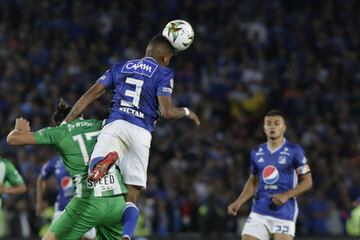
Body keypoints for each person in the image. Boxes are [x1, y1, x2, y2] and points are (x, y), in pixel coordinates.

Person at [63, 33, 200, 239]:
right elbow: (167, 112)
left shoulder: (120, 66)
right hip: (141, 132)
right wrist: (187, 112)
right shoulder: (164, 72)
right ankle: (126, 235)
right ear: (164, 58)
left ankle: (103, 163)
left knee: (94, 174)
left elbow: (93, 93)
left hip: (116, 123)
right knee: (132, 196)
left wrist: (68, 120)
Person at [7, 99, 127, 240]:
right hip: (117, 200)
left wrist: (18, 130)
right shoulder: (99, 125)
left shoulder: (60, 131)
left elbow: (12, 139)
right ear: (81, 115)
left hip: (88, 202)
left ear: (59, 123)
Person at [227, 109, 313, 240]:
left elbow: (308, 181)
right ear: (264, 128)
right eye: (268, 123)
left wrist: (286, 195)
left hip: (284, 211)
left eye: (277, 123)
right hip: (259, 210)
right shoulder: (256, 152)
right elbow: (253, 180)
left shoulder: (295, 151)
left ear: (284, 127)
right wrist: (239, 202)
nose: (272, 126)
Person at [37, 155, 96, 239]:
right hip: (62, 208)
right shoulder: (55, 162)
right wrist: (39, 202)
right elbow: (41, 178)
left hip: (83, 208)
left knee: (89, 237)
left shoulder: (83, 156)